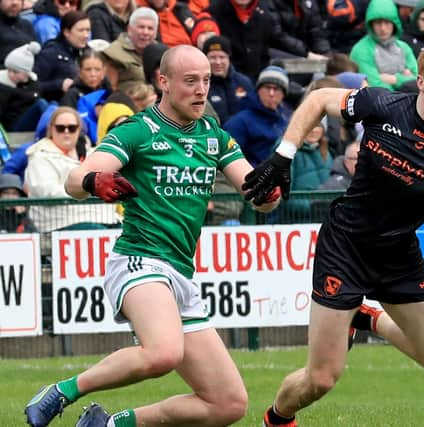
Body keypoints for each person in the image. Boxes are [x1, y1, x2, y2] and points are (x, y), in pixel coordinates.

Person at [241, 42, 424, 427]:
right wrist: (283, 155)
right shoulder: (382, 106)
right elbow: (318, 99)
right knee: (321, 378)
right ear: (421, 82)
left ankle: (367, 317)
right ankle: (278, 417)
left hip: (398, 253)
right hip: (346, 246)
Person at [24, 44, 282, 427]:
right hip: (138, 260)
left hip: (181, 273)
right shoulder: (138, 131)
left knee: (227, 404)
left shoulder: (213, 134)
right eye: (190, 81)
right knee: (163, 353)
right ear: (162, 81)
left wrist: (268, 194)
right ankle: (62, 391)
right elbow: (74, 179)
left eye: (206, 81)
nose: (201, 90)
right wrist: (96, 179)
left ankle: (110, 424)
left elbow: (253, 190)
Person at [23, 106, 121, 232]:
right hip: (62, 223)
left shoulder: (93, 154)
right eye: (60, 128)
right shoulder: (39, 157)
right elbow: (46, 191)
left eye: (72, 128)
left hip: (106, 218)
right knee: (95, 231)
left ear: (79, 130)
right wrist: (87, 188)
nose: (66, 132)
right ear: (51, 129)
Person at [224, 65, 290, 166]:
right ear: (258, 90)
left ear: (283, 94)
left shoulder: (286, 118)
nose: (271, 93)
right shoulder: (239, 122)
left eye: (276, 89)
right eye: (267, 88)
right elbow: (229, 159)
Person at [349, 0, 418, 91]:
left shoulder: (404, 47)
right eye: (378, 23)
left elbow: (418, 80)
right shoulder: (361, 50)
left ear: (394, 24)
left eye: (387, 22)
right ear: (371, 24)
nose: (383, 28)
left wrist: (395, 79)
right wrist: (405, 78)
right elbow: (374, 85)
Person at [32, 10, 91, 102]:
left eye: (88, 30)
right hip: (56, 107)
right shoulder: (51, 53)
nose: (86, 35)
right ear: (66, 32)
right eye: (81, 30)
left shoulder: (88, 52)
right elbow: (32, 86)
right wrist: (59, 85)